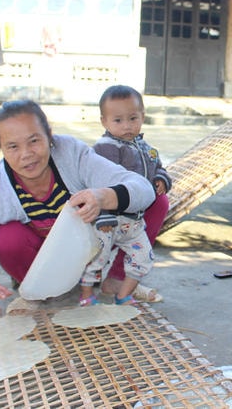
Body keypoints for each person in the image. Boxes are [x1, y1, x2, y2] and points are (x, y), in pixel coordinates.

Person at [0, 99, 156, 319]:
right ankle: (38, 293)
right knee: (8, 238)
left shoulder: (71, 154)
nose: (26, 154)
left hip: (89, 252)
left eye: (34, 141)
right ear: (1, 148)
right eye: (13, 146)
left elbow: (142, 188)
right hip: (40, 263)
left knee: (155, 202)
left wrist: (104, 196)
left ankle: (116, 279)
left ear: (49, 135)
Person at [92, 85, 171, 303]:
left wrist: (160, 180)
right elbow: (100, 184)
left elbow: (158, 166)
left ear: (142, 117)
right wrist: (104, 213)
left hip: (134, 218)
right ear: (104, 122)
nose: (127, 126)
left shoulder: (145, 146)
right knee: (96, 254)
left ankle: (118, 278)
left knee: (161, 202)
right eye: (118, 120)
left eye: (133, 118)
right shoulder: (106, 148)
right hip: (110, 214)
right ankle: (83, 286)